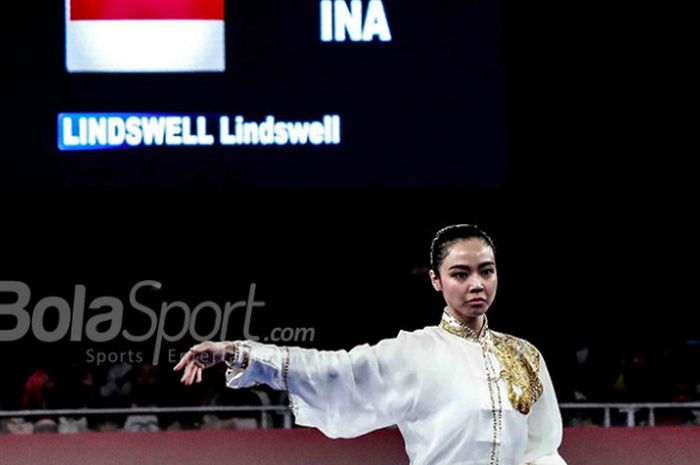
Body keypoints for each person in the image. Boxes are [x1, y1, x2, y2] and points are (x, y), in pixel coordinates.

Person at [174, 224, 567, 465]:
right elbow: (331, 369)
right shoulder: (414, 353)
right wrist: (237, 352)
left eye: (486, 271)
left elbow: (541, 449)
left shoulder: (524, 355)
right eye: (460, 274)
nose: (476, 284)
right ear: (436, 280)